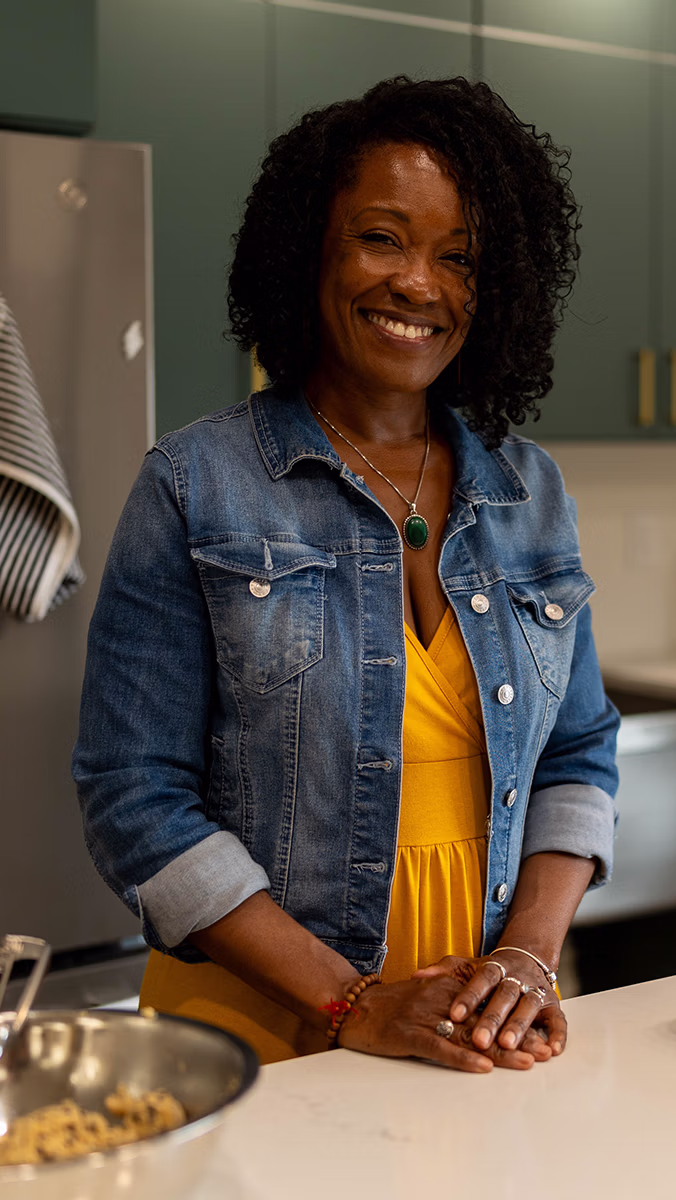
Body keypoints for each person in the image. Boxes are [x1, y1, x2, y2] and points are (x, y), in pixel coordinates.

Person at [73, 76, 619, 1071]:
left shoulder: (527, 489)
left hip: (476, 1040)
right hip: (254, 1041)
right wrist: (352, 1001)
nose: (418, 283)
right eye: (382, 238)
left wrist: (528, 960)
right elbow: (132, 795)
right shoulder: (196, 484)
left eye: (459, 256)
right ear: (308, 249)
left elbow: (578, 755)